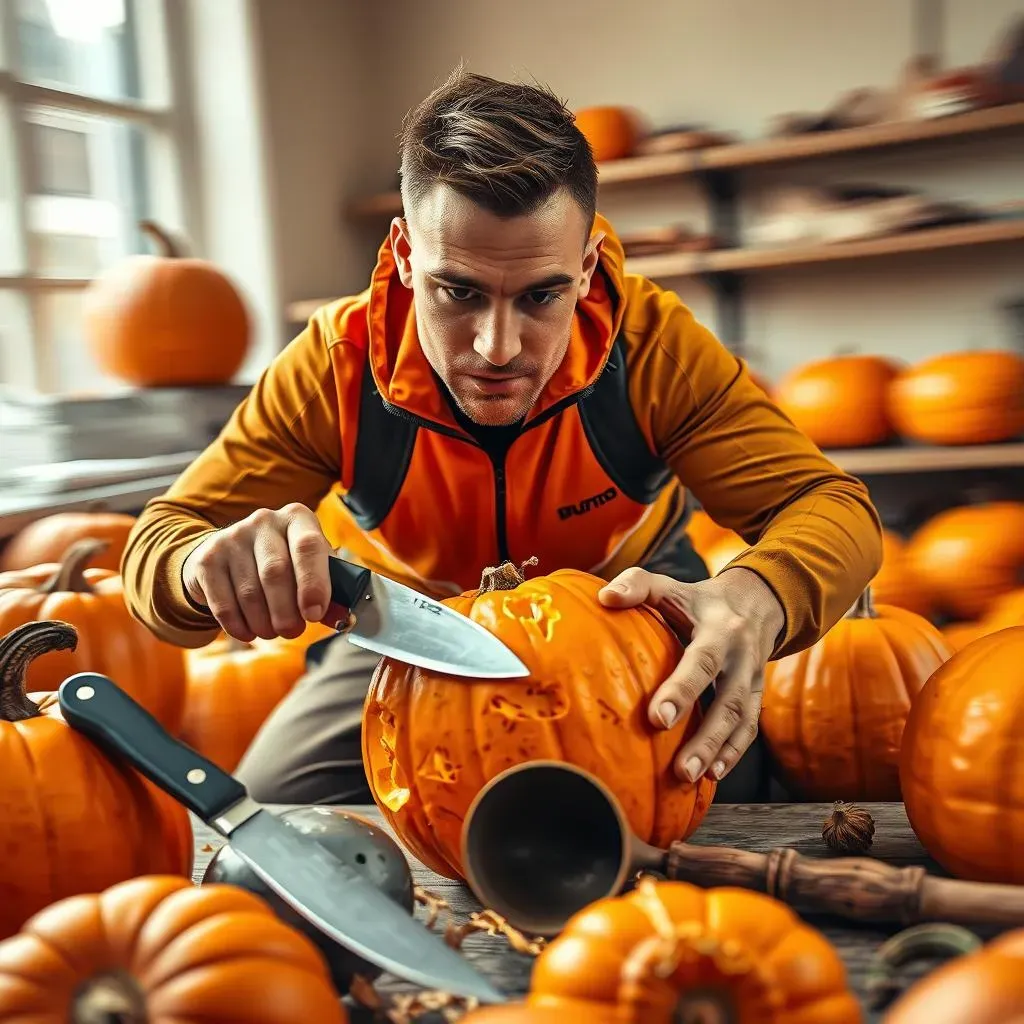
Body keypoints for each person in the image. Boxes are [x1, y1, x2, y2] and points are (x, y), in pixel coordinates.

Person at [121, 66, 882, 807]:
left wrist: (758, 594)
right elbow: (161, 539)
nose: (497, 347)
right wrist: (200, 568)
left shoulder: (652, 345)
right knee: (278, 819)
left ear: (586, 268)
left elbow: (830, 505)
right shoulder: (335, 365)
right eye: (459, 292)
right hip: (410, 634)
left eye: (541, 295)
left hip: (633, 632)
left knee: (717, 800)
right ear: (406, 258)